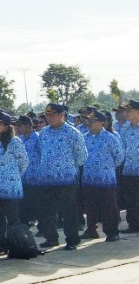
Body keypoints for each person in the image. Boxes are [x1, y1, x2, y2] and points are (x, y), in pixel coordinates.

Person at [35, 103, 87, 250]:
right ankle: (51, 238)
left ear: (61, 114)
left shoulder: (73, 132)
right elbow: (40, 152)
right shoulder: (44, 133)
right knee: (46, 211)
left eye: (52, 114)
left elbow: (81, 155)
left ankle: (72, 239)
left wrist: (68, 167)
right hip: (46, 179)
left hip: (67, 179)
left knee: (68, 212)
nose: (49, 117)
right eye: (47, 114)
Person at [0, 111, 29, 256]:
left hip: (9, 188)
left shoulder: (14, 141)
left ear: (6, 126)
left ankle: (16, 246)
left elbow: (24, 162)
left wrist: (13, 176)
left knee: (12, 220)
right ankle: (0, 245)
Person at [80, 110, 124, 241]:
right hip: (88, 179)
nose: (89, 123)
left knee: (109, 207)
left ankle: (112, 232)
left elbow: (119, 156)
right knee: (90, 207)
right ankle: (91, 230)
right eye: (89, 120)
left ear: (101, 123)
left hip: (106, 179)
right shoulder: (84, 137)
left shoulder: (110, 138)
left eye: (93, 120)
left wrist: (107, 168)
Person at [16, 115, 41, 226]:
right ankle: (25, 224)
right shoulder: (19, 140)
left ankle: (41, 226)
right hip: (22, 177)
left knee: (37, 204)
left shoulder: (38, 138)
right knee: (23, 204)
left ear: (28, 126)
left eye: (20, 126)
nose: (18, 128)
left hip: (36, 177)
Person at [119, 100, 139, 234]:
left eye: (129, 110)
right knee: (131, 200)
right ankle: (133, 225)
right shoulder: (125, 128)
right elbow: (121, 147)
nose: (126, 113)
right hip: (129, 170)